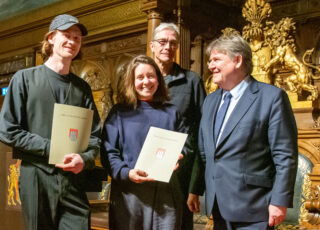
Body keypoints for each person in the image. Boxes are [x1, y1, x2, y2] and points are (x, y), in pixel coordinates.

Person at [0, 14, 101, 230]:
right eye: (66, 35)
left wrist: (84, 159)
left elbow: (95, 136)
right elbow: (8, 130)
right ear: (51, 38)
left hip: (73, 178)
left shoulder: (82, 88)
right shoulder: (24, 78)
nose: (72, 42)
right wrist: (50, 148)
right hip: (37, 175)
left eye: (77, 38)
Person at [198, 34, 298, 230]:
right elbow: (206, 152)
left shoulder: (271, 97)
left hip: (255, 209)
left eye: (216, 59)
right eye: (210, 60)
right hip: (218, 207)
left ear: (238, 60)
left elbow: (285, 155)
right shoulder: (210, 101)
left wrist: (279, 201)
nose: (210, 66)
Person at [101, 55, 186, 230]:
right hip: (129, 196)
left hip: (165, 195)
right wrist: (126, 172)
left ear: (158, 79)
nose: (146, 81)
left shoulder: (172, 112)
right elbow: (108, 152)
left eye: (151, 76)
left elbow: (184, 145)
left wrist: (179, 156)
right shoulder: (119, 113)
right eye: (140, 77)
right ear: (131, 81)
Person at [150, 23, 206, 228]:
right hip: (146, 170)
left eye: (173, 43)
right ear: (152, 46)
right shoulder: (142, 80)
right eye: (162, 42)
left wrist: (196, 185)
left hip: (180, 172)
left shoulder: (192, 81)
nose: (167, 47)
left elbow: (203, 132)